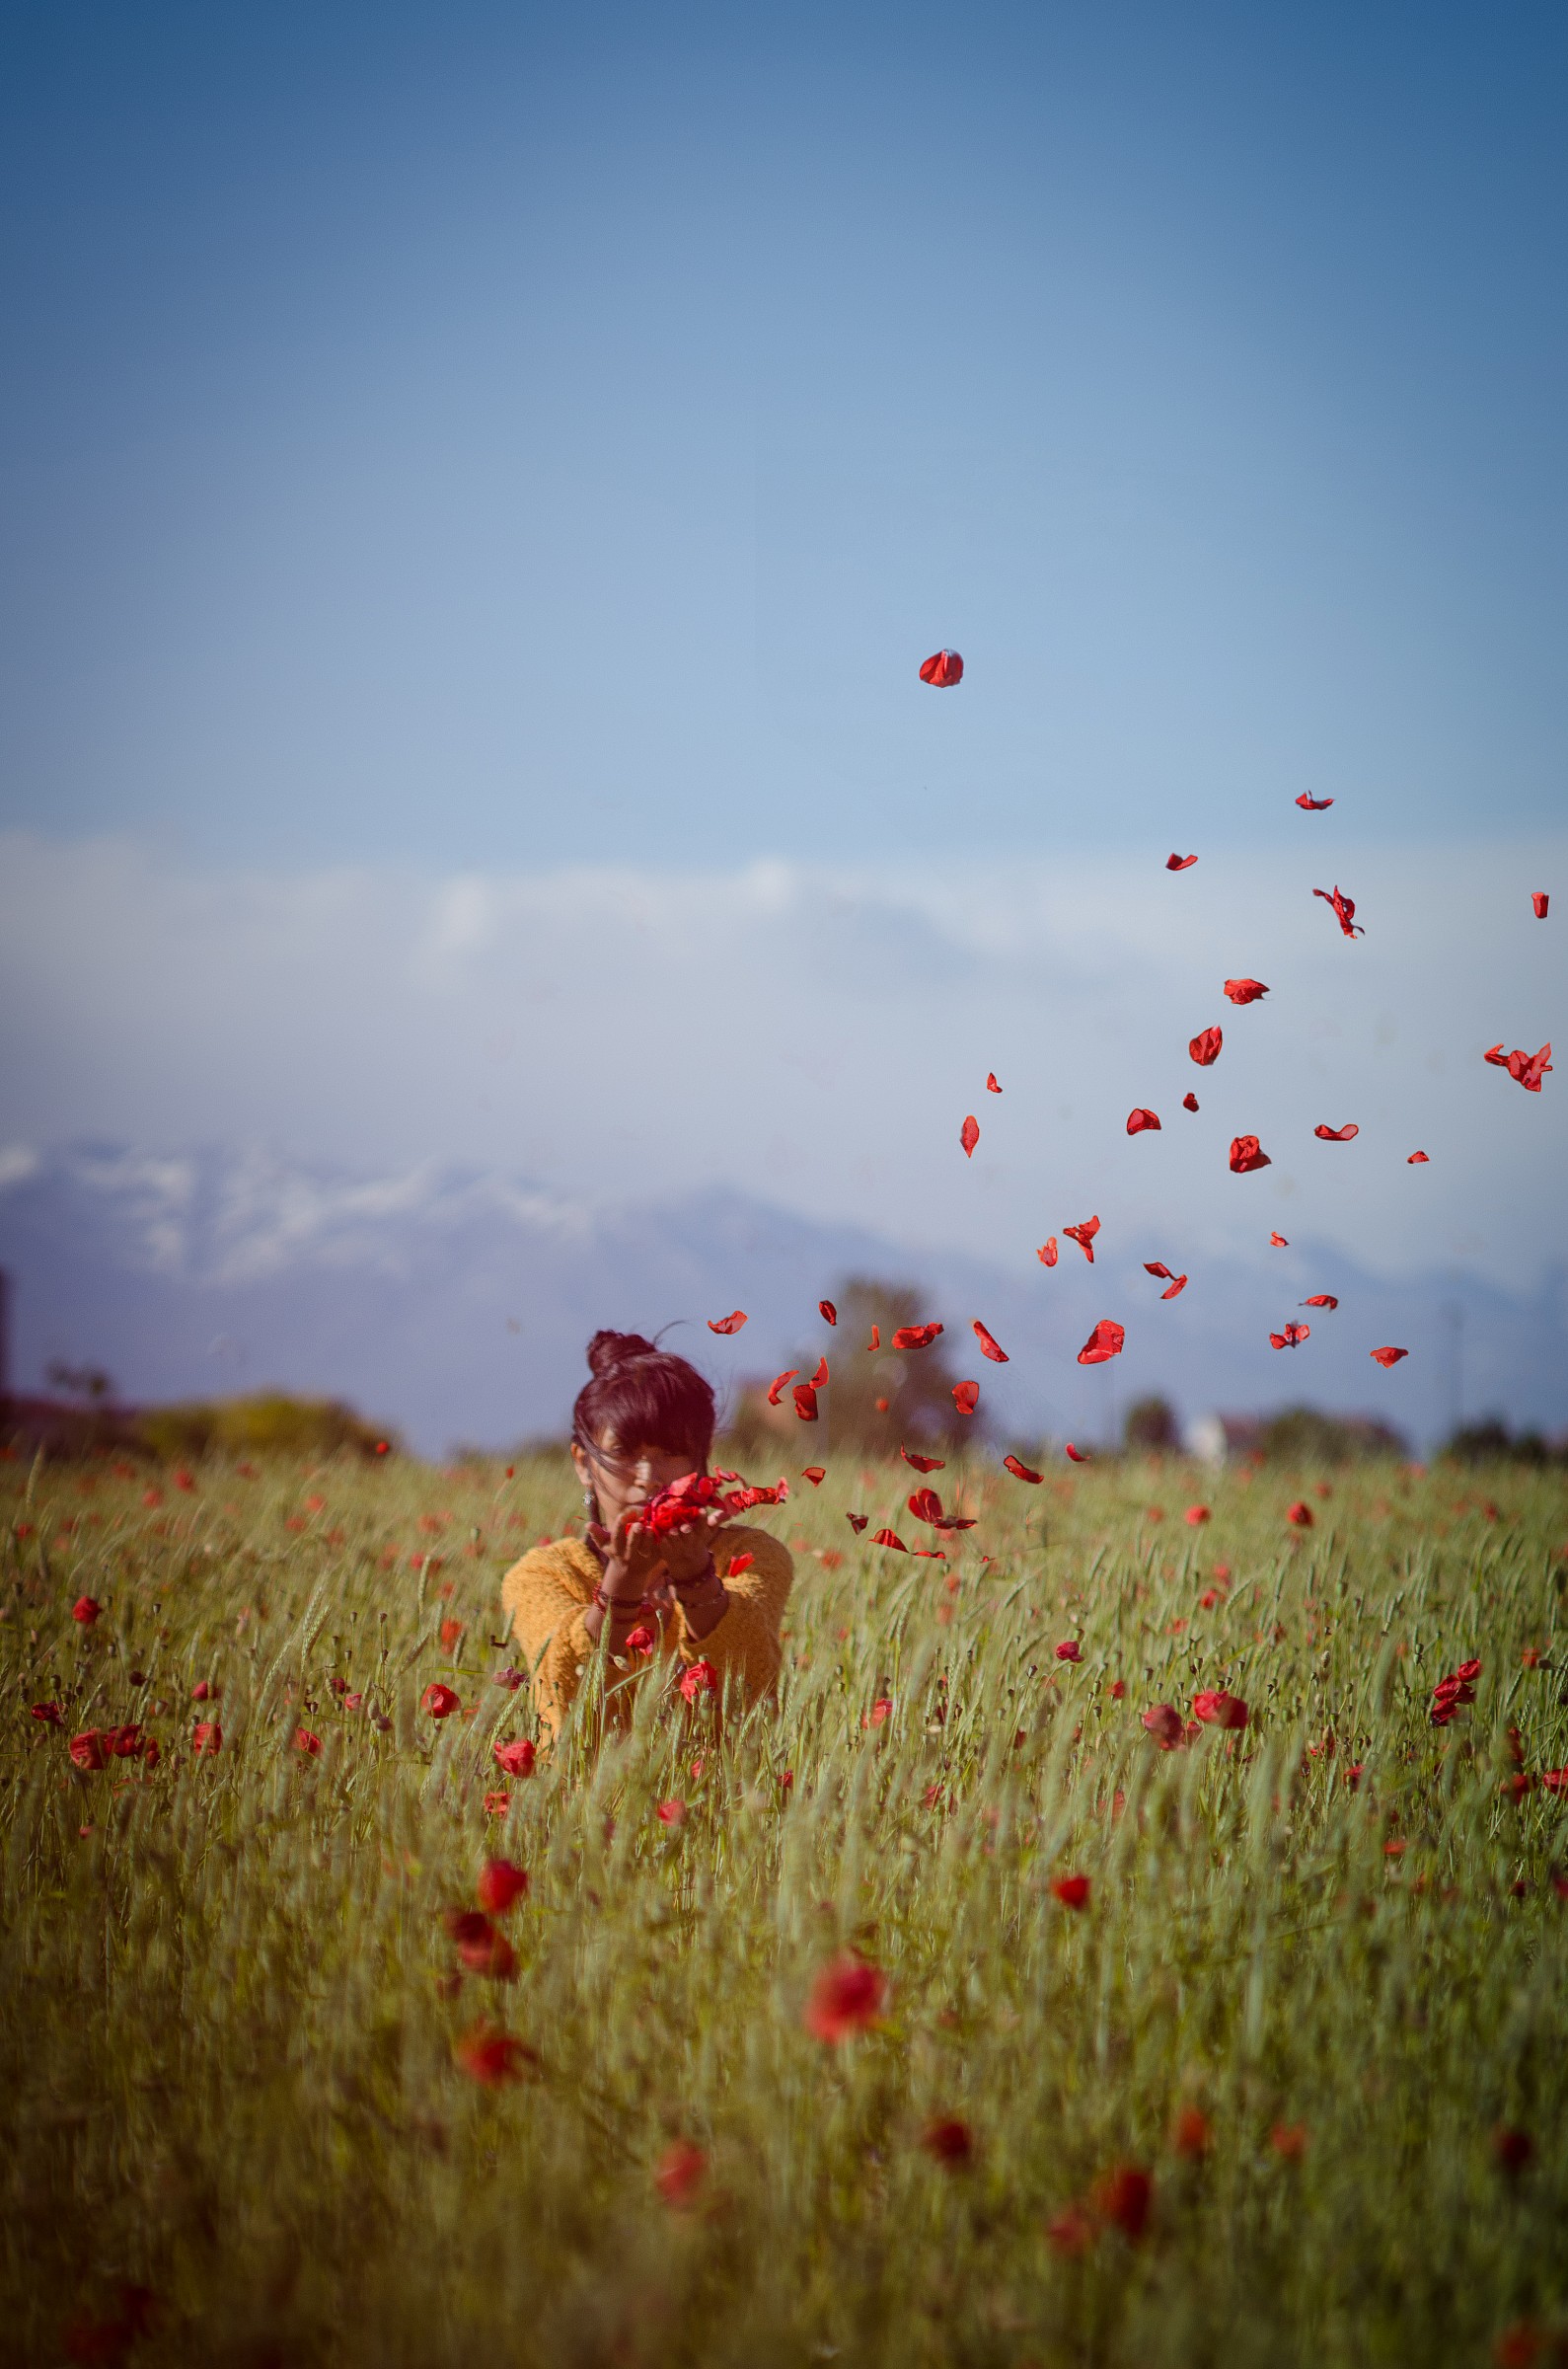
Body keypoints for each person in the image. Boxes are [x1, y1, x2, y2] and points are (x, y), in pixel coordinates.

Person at [500, 1330, 793, 1745]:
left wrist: (696, 1575)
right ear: (584, 1464)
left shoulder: (750, 1556)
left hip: (721, 1807)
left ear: (702, 1458)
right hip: (580, 1808)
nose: (648, 1479)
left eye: (671, 1453)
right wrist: (623, 1580)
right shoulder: (540, 1575)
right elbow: (566, 1692)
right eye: (623, 1453)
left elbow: (749, 1680)